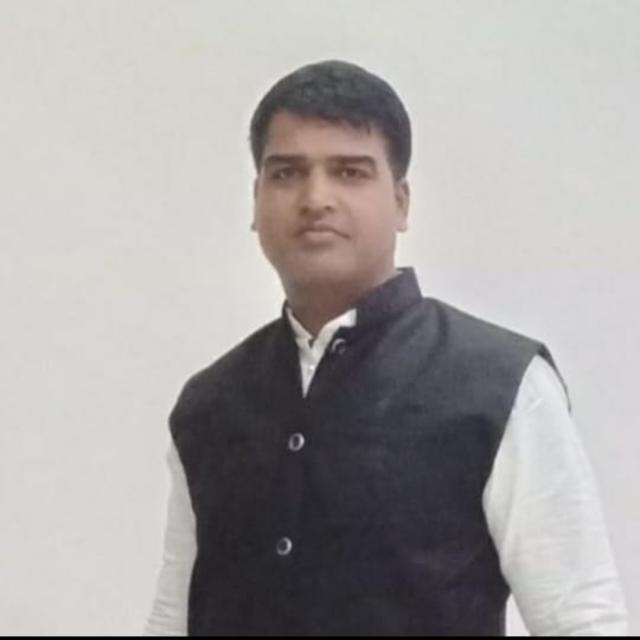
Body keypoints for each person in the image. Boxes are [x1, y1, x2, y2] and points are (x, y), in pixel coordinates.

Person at [144, 60, 628, 636]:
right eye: (287, 173)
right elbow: (174, 618)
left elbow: (581, 618)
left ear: (400, 202)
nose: (315, 198)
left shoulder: (499, 386)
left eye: (349, 172)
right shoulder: (210, 406)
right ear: (255, 201)